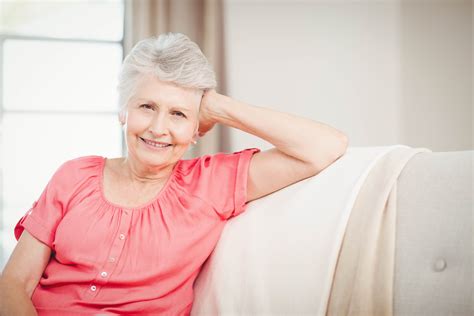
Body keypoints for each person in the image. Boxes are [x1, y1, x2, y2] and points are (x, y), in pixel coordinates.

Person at [0, 33, 348, 315]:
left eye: (178, 115)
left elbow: (324, 146)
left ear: (198, 127)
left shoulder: (211, 184)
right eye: (146, 107)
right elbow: (14, 283)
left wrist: (217, 106)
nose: (158, 128)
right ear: (124, 111)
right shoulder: (74, 176)